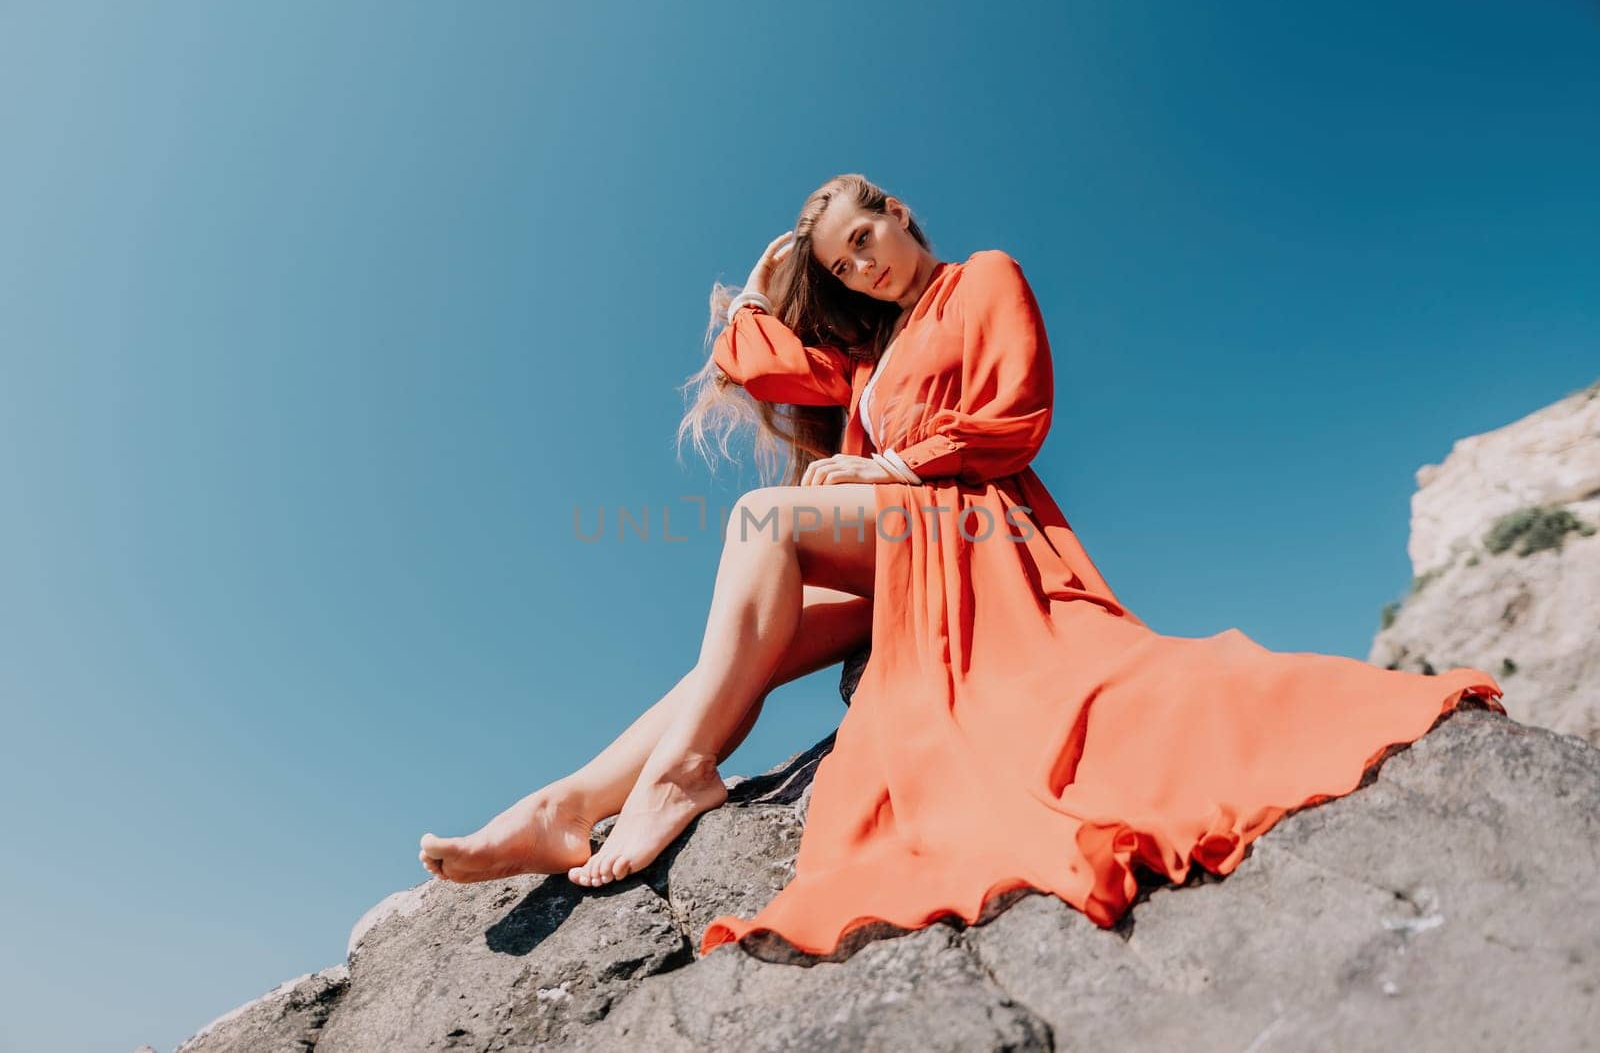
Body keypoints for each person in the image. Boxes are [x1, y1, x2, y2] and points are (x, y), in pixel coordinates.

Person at [419, 173, 1507, 962]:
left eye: (865, 235)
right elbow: (758, 363)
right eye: (842, 261)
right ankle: (570, 800)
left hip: (973, 526)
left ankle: (675, 775)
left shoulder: (981, 276)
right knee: (743, 648)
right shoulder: (870, 361)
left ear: (900, 211)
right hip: (902, 543)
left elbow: (1017, 414)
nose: (862, 262)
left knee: (764, 519)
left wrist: (885, 461)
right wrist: (760, 287)